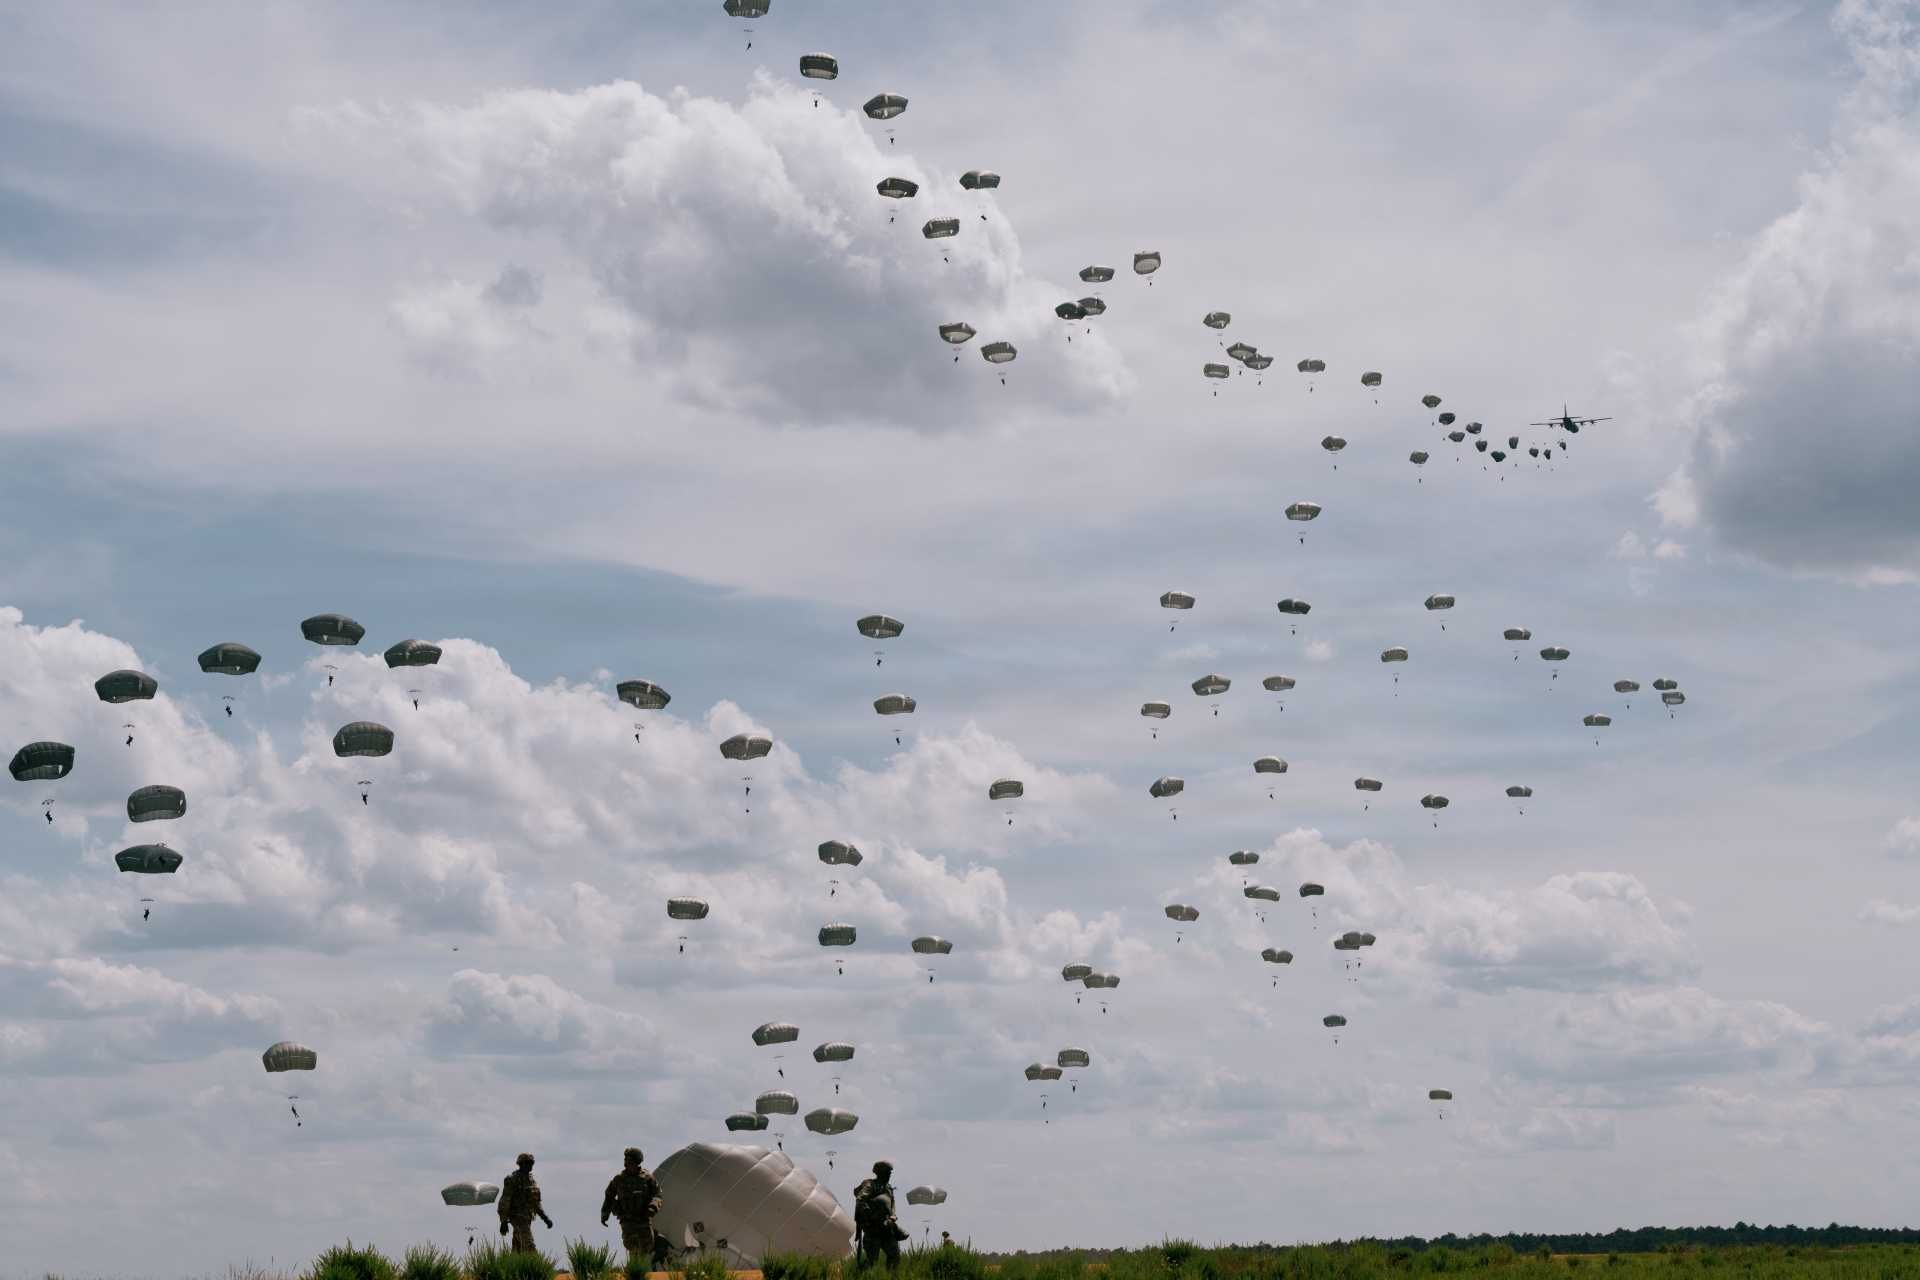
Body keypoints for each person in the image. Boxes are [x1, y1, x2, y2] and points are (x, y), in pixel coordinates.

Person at [601, 1146, 663, 1276]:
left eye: (628, 1158)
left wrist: (652, 1207)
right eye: (625, 1158)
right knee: (632, 1249)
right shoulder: (619, 1179)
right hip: (627, 1222)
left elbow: (658, 1195)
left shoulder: (647, 1178)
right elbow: (609, 1195)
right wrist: (605, 1213)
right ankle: (635, 1274)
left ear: (636, 1160)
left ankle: (642, 1274)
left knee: (645, 1250)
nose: (625, 1161)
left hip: (643, 1221)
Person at [853, 1160, 908, 1270]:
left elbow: (892, 1203)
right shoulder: (870, 1184)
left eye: (889, 1173)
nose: (889, 1175)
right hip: (872, 1229)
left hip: (887, 1228)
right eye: (887, 1172)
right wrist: (869, 1216)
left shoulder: (888, 1187)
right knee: (872, 1261)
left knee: (895, 1256)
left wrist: (893, 1216)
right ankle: (862, 1275)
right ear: (880, 1173)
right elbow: (860, 1200)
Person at [498, 1153, 552, 1254]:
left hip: (527, 1217)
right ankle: (537, 1267)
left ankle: (514, 1267)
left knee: (518, 1248)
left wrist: (545, 1218)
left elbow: (535, 1202)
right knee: (529, 1244)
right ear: (521, 1164)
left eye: (531, 1163)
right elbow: (505, 1201)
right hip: (517, 1218)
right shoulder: (512, 1179)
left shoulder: (531, 1181)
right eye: (527, 1163)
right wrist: (503, 1221)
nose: (530, 1165)